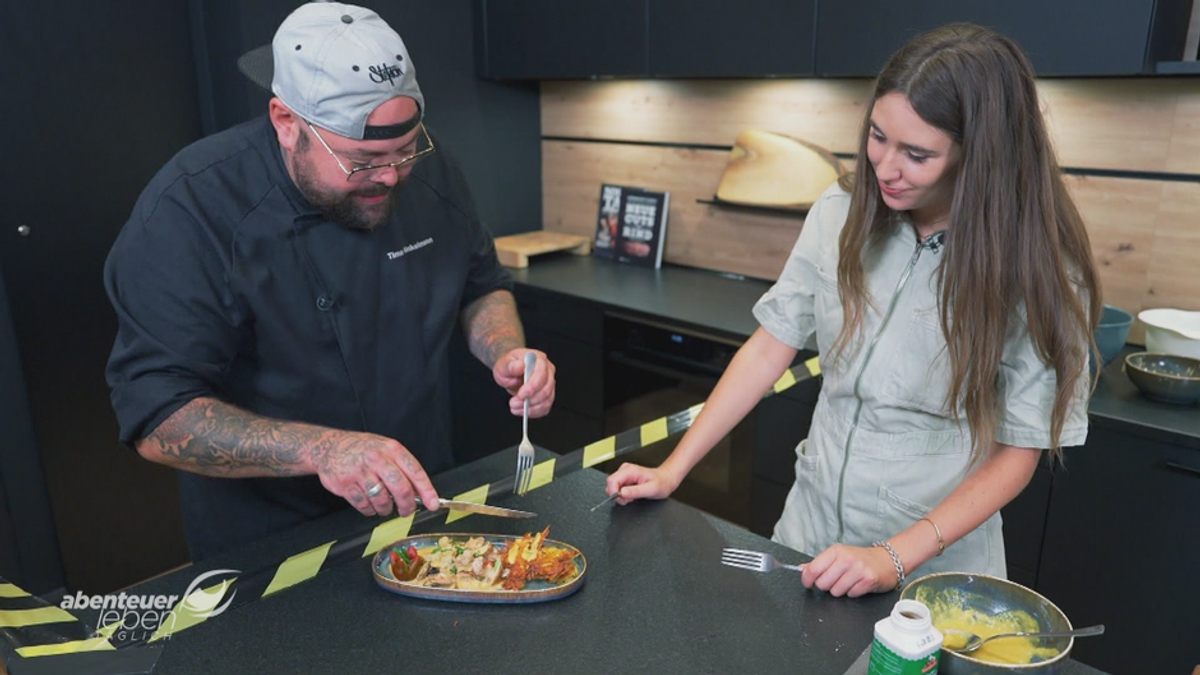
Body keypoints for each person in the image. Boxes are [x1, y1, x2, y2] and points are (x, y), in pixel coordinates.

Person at [606, 23, 1101, 597]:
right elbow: (771, 345)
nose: (885, 167)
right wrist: (674, 468)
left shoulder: (1038, 267)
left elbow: (1020, 451)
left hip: (930, 573)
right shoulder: (842, 209)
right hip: (809, 539)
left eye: (917, 154)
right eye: (877, 136)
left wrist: (893, 557)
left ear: (981, 156)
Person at [104, 2, 556, 561]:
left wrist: (506, 352)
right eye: (361, 160)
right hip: (268, 543)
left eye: (407, 149)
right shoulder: (192, 208)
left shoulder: (429, 173)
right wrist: (323, 450)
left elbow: (481, 283)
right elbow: (157, 416)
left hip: (419, 506)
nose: (390, 175)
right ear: (286, 122)